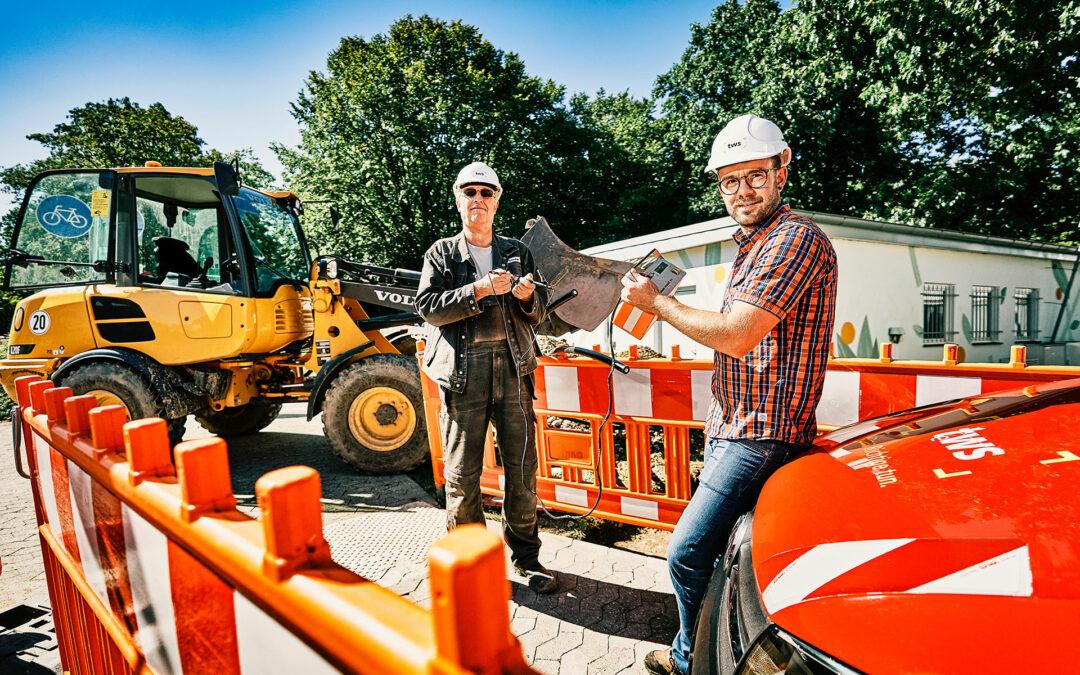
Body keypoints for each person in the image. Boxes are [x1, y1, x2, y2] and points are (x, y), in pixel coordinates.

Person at [623, 115, 838, 675]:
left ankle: (694, 662)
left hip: (761, 433)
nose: (742, 191)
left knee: (688, 552)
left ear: (782, 169)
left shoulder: (796, 239)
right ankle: (713, 657)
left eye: (754, 177)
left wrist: (656, 304)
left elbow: (738, 334)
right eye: (729, 181)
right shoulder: (754, 245)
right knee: (730, 556)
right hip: (734, 426)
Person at [415, 161, 558, 594]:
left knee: (521, 470)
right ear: (458, 199)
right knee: (462, 474)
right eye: (469, 192)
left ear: (497, 201)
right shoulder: (441, 253)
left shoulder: (517, 251)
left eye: (486, 192)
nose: (478, 199)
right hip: (463, 373)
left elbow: (542, 313)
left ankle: (526, 559)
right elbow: (428, 307)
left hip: (514, 368)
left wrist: (529, 297)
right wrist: (479, 290)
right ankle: (473, 561)